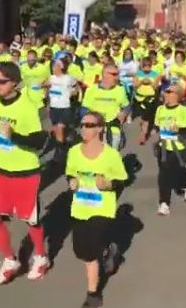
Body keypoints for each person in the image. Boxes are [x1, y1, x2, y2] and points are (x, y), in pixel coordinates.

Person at [0, 62, 50, 285]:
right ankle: (10, 260)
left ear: (14, 82)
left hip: (25, 171)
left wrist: (15, 136)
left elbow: (40, 140)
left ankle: (41, 256)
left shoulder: (27, 106)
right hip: (1, 169)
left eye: (2, 81)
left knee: (30, 220)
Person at [66, 111, 128, 308]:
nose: (84, 129)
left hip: (102, 208)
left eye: (90, 125)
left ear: (100, 128)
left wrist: (109, 185)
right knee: (80, 250)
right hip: (80, 207)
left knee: (91, 250)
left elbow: (121, 181)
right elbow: (70, 173)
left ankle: (93, 294)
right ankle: (109, 250)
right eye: (82, 125)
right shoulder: (74, 151)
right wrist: (72, 181)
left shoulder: (111, 155)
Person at [154, 84, 186, 216]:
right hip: (164, 147)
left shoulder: (184, 111)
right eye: (165, 92)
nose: (165, 94)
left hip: (179, 148)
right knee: (164, 175)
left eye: (169, 92)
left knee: (178, 172)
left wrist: (179, 130)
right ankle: (164, 203)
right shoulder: (160, 109)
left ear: (177, 95)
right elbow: (156, 125)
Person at [81, 64, 130, 150]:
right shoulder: (92, 89)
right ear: (104, 74)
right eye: (113, 74)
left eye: (117, 74)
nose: (117, 77)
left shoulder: (120, 90)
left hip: (113, 128)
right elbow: (83, 109)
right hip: (95, 129)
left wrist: (124, 113)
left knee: (112, 158)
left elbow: (126, 106)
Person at [47, 57, 78, 162]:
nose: (53, 67)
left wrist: (73, 92)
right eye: (53, 65)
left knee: (60, 129)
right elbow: (43, 85)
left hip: (64, 107)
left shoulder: (68, 78)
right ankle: (67, 139)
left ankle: (59, 153)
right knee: (57, 131)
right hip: (53, 108)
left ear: (61, 67)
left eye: (55, 65)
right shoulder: (51, 78)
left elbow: (76, 88)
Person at [132, 57, 161, 145]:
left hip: (150, 98)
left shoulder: (155, 74)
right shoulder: (138, 74)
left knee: (146, 118)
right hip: (139, 98)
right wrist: (141, 82)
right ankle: (145, 130)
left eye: (148, 65)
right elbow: (135, 85)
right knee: (143, 118)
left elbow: (156, 87)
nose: (146, 67)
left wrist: (149, 82)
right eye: (145, 65)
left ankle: (143, 134)